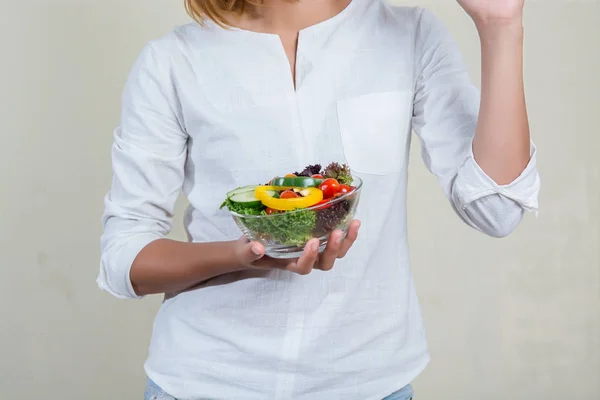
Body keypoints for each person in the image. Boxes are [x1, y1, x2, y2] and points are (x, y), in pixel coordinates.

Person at [98, 0, 540, 398]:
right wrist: (241, 255)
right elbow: (125, 258)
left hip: (369, 382)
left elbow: (497, 209)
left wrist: (500, 23)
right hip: (203, 383)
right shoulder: (172, 61)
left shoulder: (409, 35)